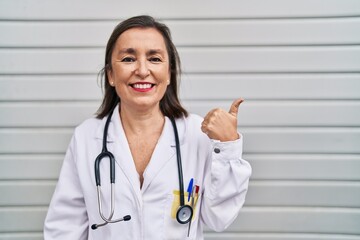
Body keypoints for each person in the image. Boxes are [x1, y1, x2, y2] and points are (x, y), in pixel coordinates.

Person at [44, 15, 251, 240]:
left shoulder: (196, 133)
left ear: (169, 73)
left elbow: (219, 218)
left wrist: (229, 146)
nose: (142, 70)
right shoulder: (86, 137)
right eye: (128, 59)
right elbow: (64, 230)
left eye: (154, 59)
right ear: (111, 75)